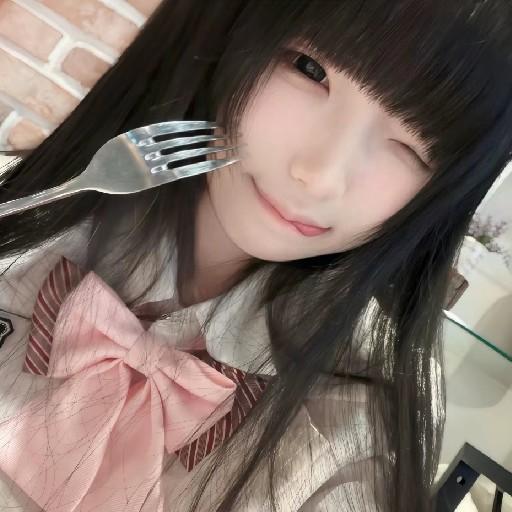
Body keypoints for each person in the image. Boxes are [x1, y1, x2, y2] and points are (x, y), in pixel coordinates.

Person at [0, 1, 510, 510]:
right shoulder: (20, 224)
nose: (321, 175)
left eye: (414, 147)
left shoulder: (357, 425)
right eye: (310, 70)